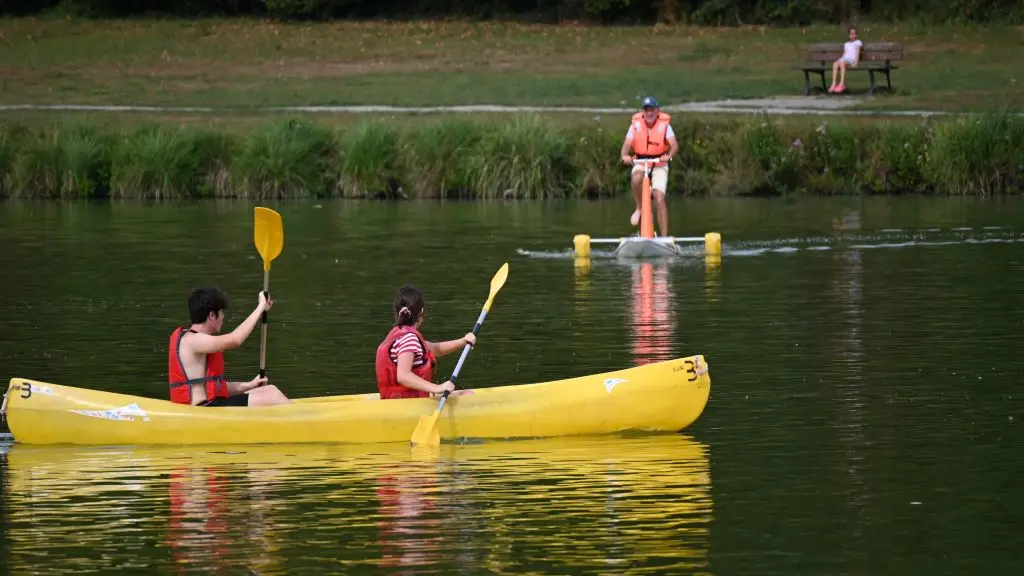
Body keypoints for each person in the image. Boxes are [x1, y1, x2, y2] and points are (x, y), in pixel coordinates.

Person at [168, 286, 290, 407]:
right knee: (273, 396)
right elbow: (236, 339)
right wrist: (260, 307)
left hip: (212, 404)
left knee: (269, 390)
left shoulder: (197, 340)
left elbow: (215, 386)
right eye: (221, 312)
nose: (223, 317)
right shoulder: (192, 340)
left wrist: (249, 385)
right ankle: (300, 421)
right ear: (211, 315)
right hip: (205, 409)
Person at [375, 285, 477, 400]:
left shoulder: (400, 336)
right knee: (469, 396)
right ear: (421, 311)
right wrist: (437, 388)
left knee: (463, 394)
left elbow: (435, 349)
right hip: (406, 406)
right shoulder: (409, 339)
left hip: (398, 402)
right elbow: (403, 376)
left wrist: (463, 341)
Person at [619, 96, 679, 238]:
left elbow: (675, 145)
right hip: (641, 161)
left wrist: (668, 155)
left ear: (657, 111)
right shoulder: (635, 125)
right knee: (636, 177)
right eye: (646, 110)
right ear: (643, 112)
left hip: (659, 163)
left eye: (652, 110)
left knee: (659, 198)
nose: (649, 113)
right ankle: (639, 208)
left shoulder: (665, 126)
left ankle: (664, 238)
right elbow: (625, 151)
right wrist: (626, 158)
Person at [830, 26, 862, 94]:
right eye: (851, 34)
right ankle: (834, 84)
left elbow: (858, 52)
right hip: (845, 58)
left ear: (856, 35)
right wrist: (840, 60)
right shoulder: (846, 44)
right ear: (849, 35)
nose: (852, 35)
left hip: (851, 59)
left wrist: (856, 62)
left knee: (842, 63)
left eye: (854, 34)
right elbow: (844, 54)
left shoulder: (858, 42)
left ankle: (842, 84)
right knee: (835, 64)